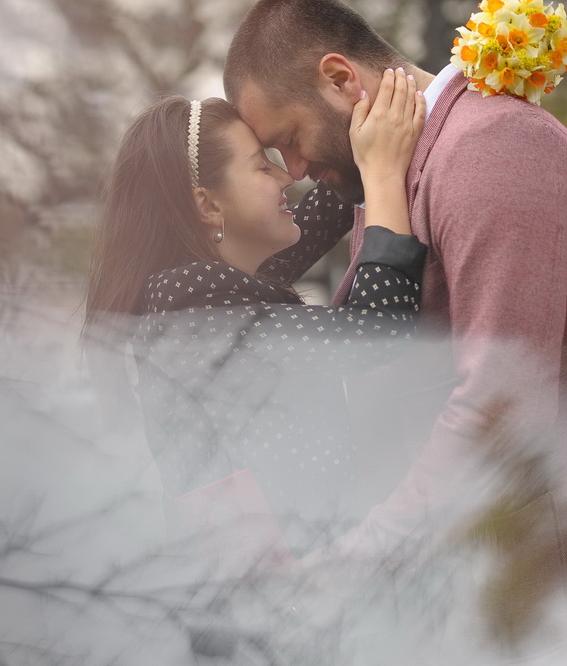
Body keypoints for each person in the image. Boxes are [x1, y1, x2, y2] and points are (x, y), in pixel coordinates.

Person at [224, 0, 567, 653]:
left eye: (289, 140)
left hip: (520, 596)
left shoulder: (493, 146)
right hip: (445, 584)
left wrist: (358, 559)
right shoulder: (390, 174)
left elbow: (502, 405)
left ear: (341, 80)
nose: (294, 171)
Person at [84, 69, 426, 555]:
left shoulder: (206, 287)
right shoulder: (192, 302)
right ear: (206, 203)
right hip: (277, 604)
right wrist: (383, 171)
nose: (287, 175)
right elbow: (376, 327)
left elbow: (312, 221)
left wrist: (353, 131)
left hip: (284, 589)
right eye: (263, 167)